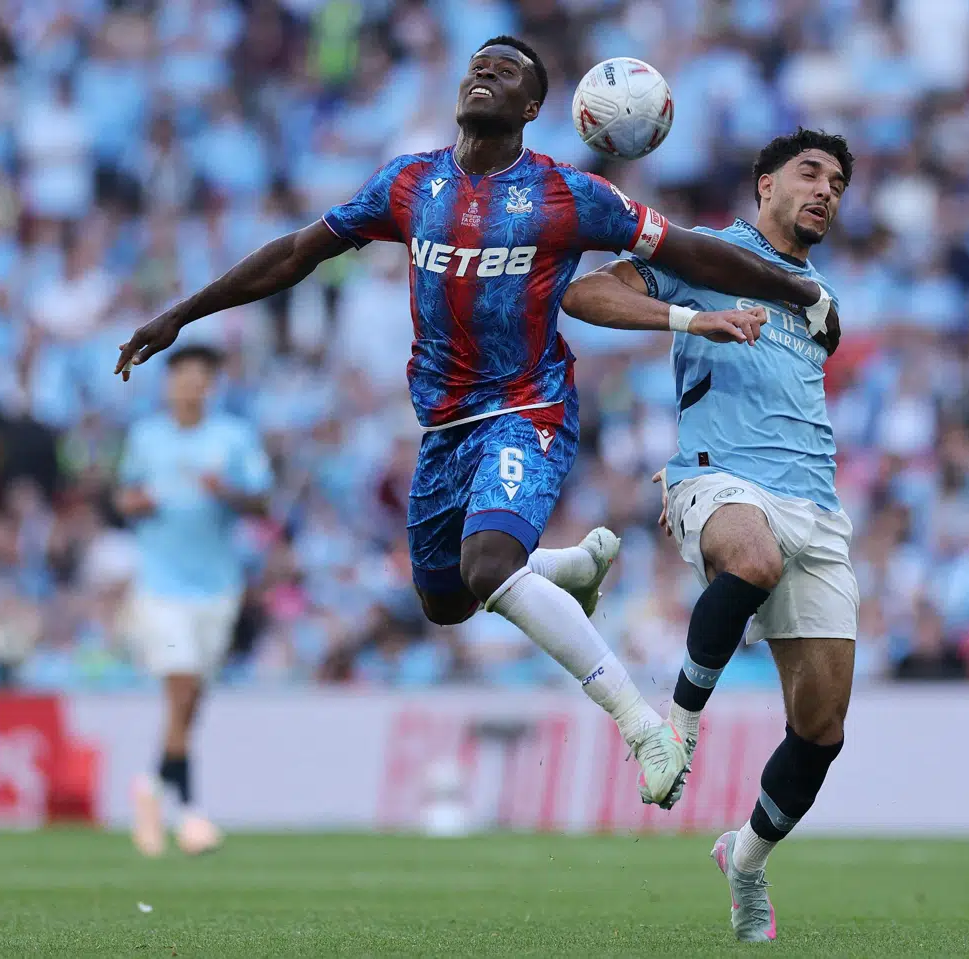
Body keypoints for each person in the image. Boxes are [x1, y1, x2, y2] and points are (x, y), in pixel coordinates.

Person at [113, 37, 836, 808]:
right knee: (446, 599)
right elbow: (297, 252)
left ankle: (641, 725)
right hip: (444, 427)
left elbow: (693, 252)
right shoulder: (409, 183)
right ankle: (566, 571)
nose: (484, 71)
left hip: (531, 407)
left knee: (489, 565)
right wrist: (182, 315)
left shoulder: (569, 195)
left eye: (508, 70)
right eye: (478, 64)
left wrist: (796, 287)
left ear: (532, 109)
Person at [561, 129, 856, 942]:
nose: (825, 190)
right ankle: (680, 723)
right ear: (764, 184)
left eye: (837, 181)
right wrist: (695, 317)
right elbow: (585, 297)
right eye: (809, 173)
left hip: (817, 509)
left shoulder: (816, 294)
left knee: (822, 730)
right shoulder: (708, 253)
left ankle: (746, 860)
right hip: (718, 475)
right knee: (750, 557)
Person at [115, 344, 273, 856]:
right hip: (160, 586)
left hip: (217, 587)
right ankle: (190, 815)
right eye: (182, 376)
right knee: (180, 693)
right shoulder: (147, 437)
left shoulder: (233, 437)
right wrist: (139, 503)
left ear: (212, 386)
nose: (190, 386)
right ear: (168, 384)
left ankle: (151, 786)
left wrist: (224, 491)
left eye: (201, 377)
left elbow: (261, 499)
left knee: (191, 703)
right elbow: (124, 497)